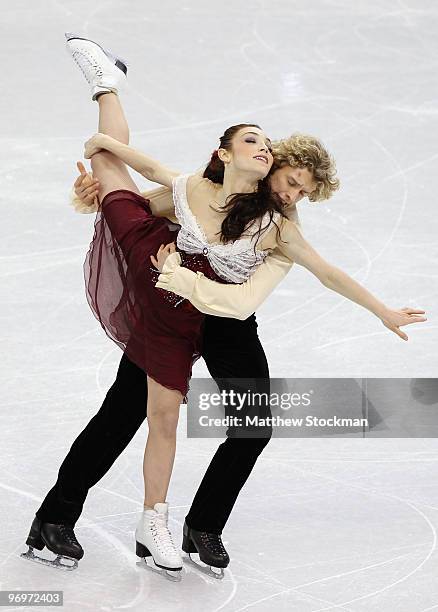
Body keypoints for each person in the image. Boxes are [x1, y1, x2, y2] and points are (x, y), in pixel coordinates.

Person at [23, 33, 426, 578]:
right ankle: (55, 518)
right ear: (270, 165)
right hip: (169, 306)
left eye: (304, 191)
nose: (293, 193)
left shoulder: (281, 226)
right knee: (121, 415)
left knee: (253, 422)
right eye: (290, 180)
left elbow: (324, 271)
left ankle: (203, 526)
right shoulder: (207, 186)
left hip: (226, 320)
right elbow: (146, 203)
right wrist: (95, 191)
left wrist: (382, 311)